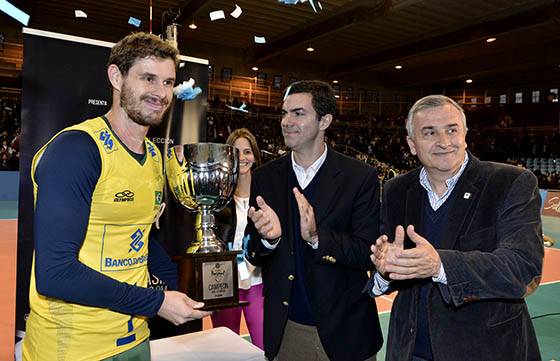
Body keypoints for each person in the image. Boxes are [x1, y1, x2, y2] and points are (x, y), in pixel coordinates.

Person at [22, 32, 211, 361]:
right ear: (116, 77)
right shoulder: (77, 150)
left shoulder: (154, 155)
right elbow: (55, 276)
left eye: (168, 82)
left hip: (135, 338)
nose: (160, 93)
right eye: (148, 78)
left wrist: (180, 289)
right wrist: (157, 302)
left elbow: (139, 235)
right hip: (74, 348)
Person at [365, 95, 544, 361]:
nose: (444, 142)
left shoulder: (510, 182)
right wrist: (385, 271)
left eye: (452, 130)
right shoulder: (396, 190)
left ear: (465, 135)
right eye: (430, 132)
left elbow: (522, 267)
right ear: (412, 145)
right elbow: (393, 261)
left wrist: (440, 265)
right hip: (410, 351)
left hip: (486, 351)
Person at [245, 80, 383, 361]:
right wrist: (269, 240)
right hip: (289, 332)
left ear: (325, 121)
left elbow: (367, 253)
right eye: (284, 113)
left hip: (347, 332)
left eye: (298, 113)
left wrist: (318, 239)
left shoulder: (360, 177)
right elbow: (251, 249)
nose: (286, 122)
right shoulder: (265, 177)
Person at [212, 128, 264, 349]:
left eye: (247, 152)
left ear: (255, 156)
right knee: (226, 349)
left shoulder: (267, 194)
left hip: (258, 283)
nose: (242, 158)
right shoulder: (217, 196)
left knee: (264, 346)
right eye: (236, 152)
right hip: (225, 285)